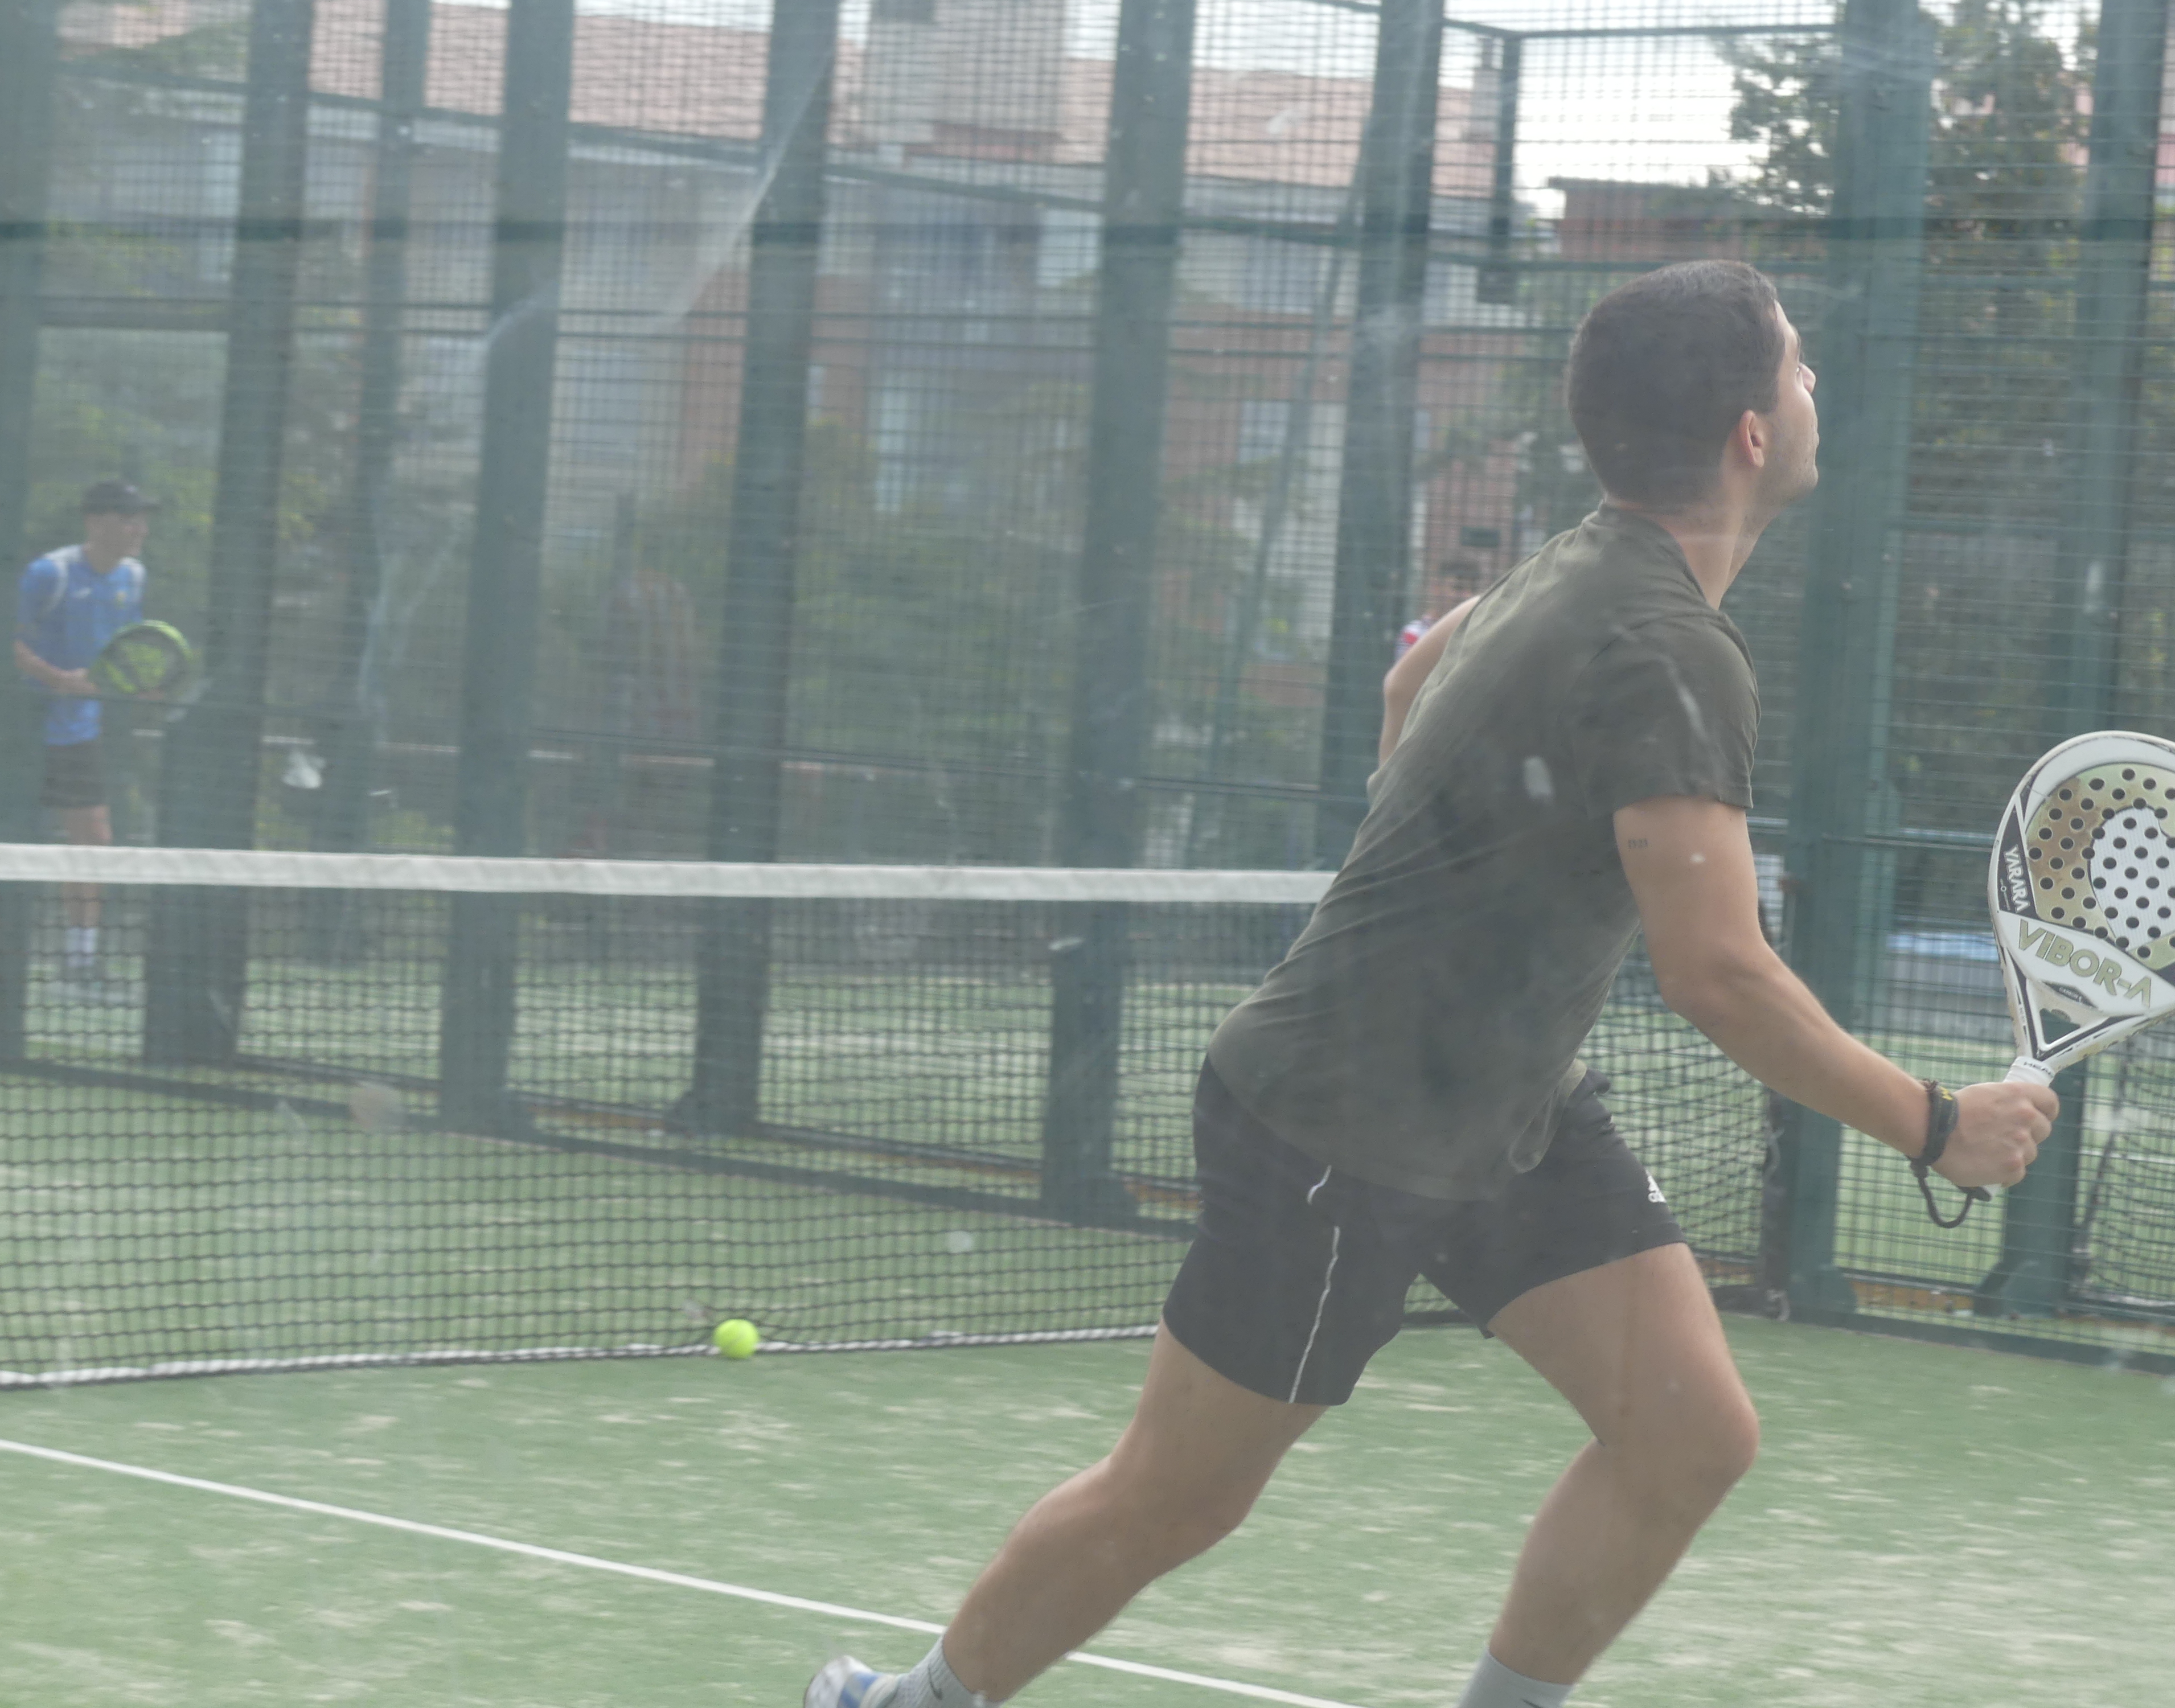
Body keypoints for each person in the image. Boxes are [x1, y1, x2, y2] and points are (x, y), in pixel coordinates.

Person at [803, 260, 2055, 1708]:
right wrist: (1931, 1122)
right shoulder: (1666, 646)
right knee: (1176, 1494)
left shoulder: (1579, 561)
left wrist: (1455, 896)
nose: (1814, 381)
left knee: (1686, 1434)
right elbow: (1715, 972)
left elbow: (1409, 694)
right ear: (1751, 433)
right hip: (1338, 1125)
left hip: (1497, 1103)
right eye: (1797, 363)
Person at [13, 479, 155, 999]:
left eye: (142, 519)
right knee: (3, 840)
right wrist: (57, 679)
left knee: (94, 838)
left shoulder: (133, 577)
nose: (139, 529)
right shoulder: (49, 574)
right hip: (21, 730)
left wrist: (141, 681)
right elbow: (7, 643)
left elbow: (125, 647)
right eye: (128, 518)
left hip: (80, 732)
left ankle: (79, 964)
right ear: (95, 521)